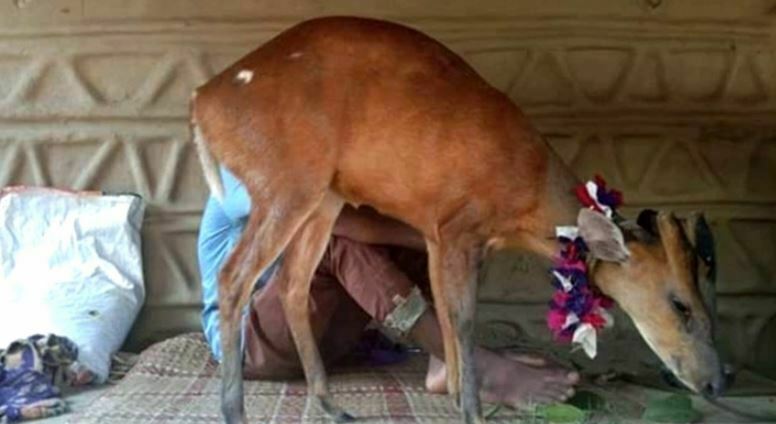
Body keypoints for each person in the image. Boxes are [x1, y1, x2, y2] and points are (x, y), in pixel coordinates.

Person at [197, 167, 579, 408]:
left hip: (321, 340)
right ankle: (470, 365)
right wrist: (447, 240)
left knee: (419, 228)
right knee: (330, 241)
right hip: (250, 345)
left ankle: (443, 364)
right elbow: (345, 227)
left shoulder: (323, 165)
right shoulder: (243, 169)